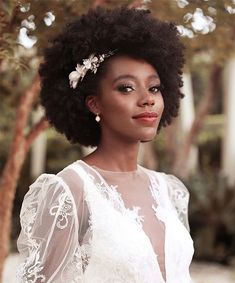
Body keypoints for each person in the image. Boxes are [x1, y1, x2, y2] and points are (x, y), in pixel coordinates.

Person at [16, 6, 194, 283]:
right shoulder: (69, 190)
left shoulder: (169, 190)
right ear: (94, 103)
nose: (147, 99)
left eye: (154, 87)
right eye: (126, 87)